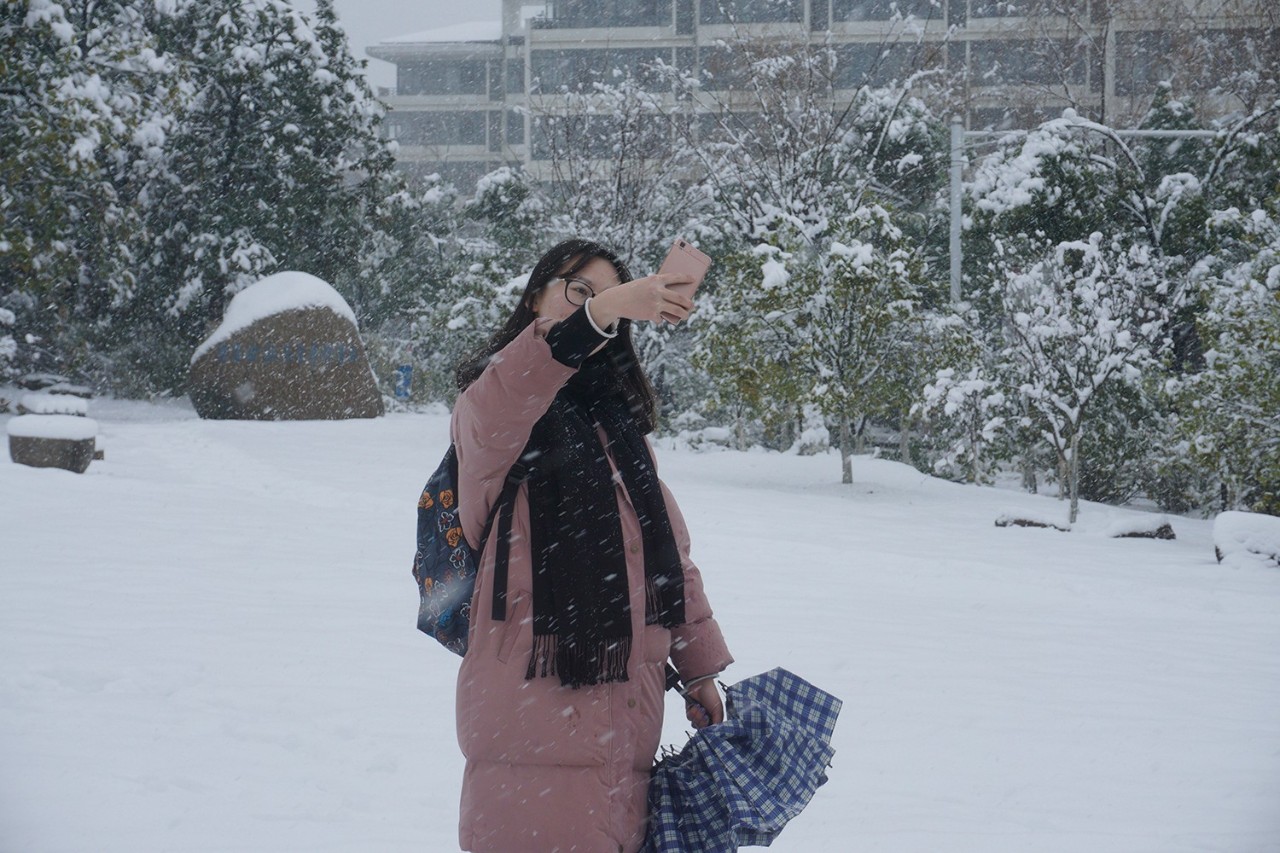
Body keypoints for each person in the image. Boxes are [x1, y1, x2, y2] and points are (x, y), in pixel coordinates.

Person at [449, 239, 734, 853]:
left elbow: (667, 565)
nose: (597, 305)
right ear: (535, 298)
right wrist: (600, 313)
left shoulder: (616, 432)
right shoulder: (493, 413)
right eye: (580, 289)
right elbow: (518, 384)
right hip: (530, 723)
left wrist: (699, 668)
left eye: (610, 298)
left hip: (626, 721)